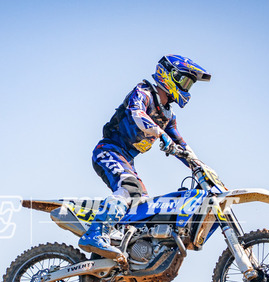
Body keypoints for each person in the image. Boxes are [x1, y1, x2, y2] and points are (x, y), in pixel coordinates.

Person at [78, 55, 211, 260]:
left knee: (143, 207)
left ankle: (122, 248)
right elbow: (137, 114)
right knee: (129, 188)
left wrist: (201, 168)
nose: (186, 88)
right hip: (109, 150)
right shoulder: (144, 92)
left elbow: (181, 145)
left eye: (189, 84)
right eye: (185, 81)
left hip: (126, 159)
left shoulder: (168, 116)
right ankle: (96, 233)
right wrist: (160, 134)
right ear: (169, 76)